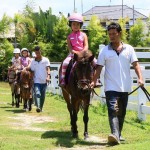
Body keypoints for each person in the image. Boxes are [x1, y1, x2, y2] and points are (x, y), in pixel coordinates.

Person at [90, 22, 144, 145]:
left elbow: (136, 65)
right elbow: (98, 68)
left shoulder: (129, 49)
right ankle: (115, 134)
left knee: (122, 112)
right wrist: (93, 81)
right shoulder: (105, 51)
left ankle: (118, 134)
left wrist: (140, 78)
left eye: (114, 33)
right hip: (111, 86)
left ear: (119, 33)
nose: (112, 36)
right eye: (110, 34)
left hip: (125, 86)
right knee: (113, 109)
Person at [59, 12, 89, 87]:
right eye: (74, 24)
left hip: (84, 53)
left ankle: (96, 80)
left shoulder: (84, 35)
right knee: (65, 63)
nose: (75, 26)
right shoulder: (69, 37)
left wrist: (82, 52)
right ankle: (62, 79)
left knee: (94, 61)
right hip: (73, 54)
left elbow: (86, 46)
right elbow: (70, 48)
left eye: (77, 24)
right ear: (71, 25)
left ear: (80, 25)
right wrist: (75, 52)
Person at [26, 46, 50, 113]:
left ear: (40, 51)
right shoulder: (33, 61)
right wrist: (29, 70)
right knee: (37, 93)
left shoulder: (46, 60)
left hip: (44, 81)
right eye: (36, 53)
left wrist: (48, 76)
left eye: (38, 52)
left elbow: (48, 68)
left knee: (43, 95)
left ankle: (41, 108)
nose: (37, 54)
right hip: (36, 80)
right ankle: (38, 107)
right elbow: (32, 70)